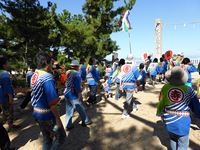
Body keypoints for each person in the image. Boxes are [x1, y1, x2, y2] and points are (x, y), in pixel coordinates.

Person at [157, 66, 200, 150]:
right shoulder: (188, 89)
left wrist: (161, 114)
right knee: (183, 144)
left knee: (173, 139)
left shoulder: (165, 88)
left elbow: (161, 103)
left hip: (168, 120)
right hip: (182, 122)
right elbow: (196, 107)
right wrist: (198, 115)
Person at [30, 52, 66, 150]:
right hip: (48, 115)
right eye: (51, 62)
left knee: (47, 139)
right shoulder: (47, 77)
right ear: (46, 62)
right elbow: (53, 103)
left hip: (37, 113)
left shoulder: (34, 74)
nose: (52, 64)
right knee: (61, 137)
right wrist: (58, 119)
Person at [64, 60, 91, 130]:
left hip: (66, 92)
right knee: (80, 107)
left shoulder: (69, 72)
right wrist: (79, 95)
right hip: (72, 94)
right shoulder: (77, 74)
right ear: (77, 66)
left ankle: (68, 125)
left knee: (69, 110)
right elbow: (77, 87)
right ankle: (86, 121)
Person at [0, 56, 19, 131]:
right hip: (6, 97)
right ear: (4, 64)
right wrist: (10, 97)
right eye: (7, 62)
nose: (8, 64)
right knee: (9, 112)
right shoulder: (4, 73)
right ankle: (9, 127)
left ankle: (10, 125)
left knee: (5, 112)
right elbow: (7, 86)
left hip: (1, 97)